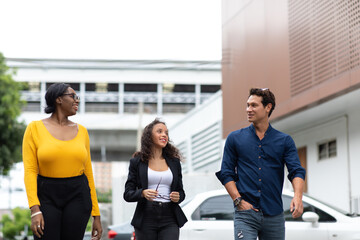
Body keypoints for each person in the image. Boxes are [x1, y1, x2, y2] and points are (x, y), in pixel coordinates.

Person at [216, 88, 306, 240]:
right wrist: (238, 201)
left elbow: (296, 171)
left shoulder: (284, 141)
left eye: (253, 105)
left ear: (268, 107)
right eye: (247, 105)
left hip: (274, 214)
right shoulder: (235, 138)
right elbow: (226, 173)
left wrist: (298, 197)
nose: (248, 109)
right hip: (245, 214)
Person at [22, 83, 102, 240]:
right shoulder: (34, 128)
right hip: (46, 194)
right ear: (58, 99)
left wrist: (96, 215)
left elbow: (88, 173)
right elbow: (30, 170)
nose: (77, 101)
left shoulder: (82, 132)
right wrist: (35, 210)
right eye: (73, 96)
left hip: (78, 194)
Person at [123, 118, 187, 240]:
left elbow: (181, 192)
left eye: (166, 133)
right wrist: (142, 193)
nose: (164, 135)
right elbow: (127, 194)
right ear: (149, 136)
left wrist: (178, 196)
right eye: (159, 131)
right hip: (146, 216)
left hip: (170, 217)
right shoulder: (137, 162)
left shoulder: (174, 162)